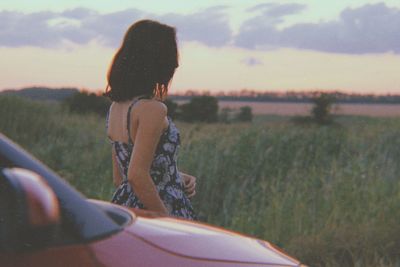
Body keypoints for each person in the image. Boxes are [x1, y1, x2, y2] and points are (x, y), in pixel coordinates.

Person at [103, 20, 196, 220]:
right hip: (159, 212)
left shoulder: (116, 107)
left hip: (127, 211)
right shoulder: (152, 110)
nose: (176, 63)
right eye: (171, 54)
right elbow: (136, 176)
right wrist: (167, 222)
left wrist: (174, 177)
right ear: (155, 59)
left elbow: (120, 178)